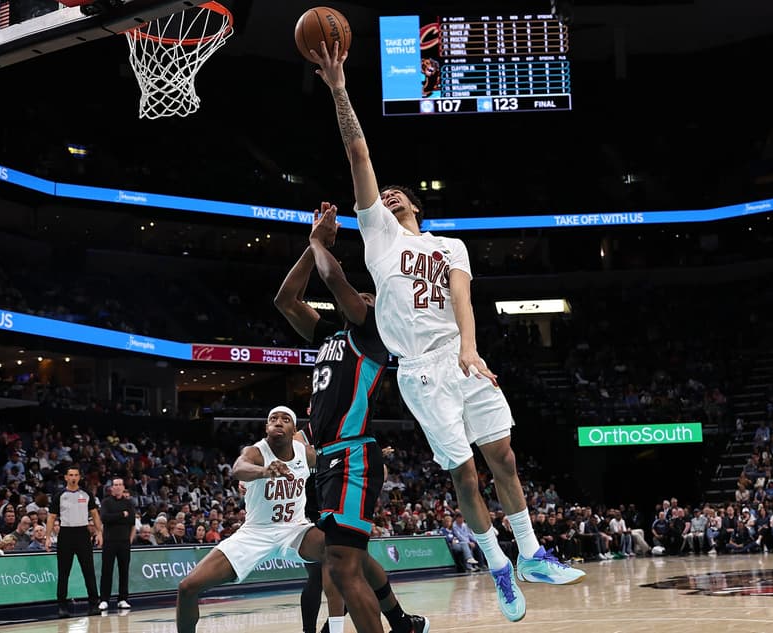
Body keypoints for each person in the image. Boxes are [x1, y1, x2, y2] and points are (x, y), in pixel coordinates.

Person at [311, 39, 584, 623]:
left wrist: (471, 348)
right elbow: (359, 154)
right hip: (420, 371)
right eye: (382, 197)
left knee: (504, 458)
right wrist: (339, 88)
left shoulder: (447, 244)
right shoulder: (380, 236)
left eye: (397, 195)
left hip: (460, 357)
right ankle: (497, 563)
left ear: (414, 204)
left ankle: (532, 552)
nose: (388, 196)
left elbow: (462, 296)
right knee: (464, 473)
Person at [274, 212, 429, 633]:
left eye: (370, 296)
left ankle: (390, 626)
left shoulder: (374, 333)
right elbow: (285, 301)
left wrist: (320, 242)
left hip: (353, 454)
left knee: (342, 566)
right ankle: (399, 621)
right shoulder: (329, 335)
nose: (364, 296)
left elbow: (336, 282)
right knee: (345, 555)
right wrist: (312, 247)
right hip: (327, 461)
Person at [176, 407, 330, 633]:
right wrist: (265, 472)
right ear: (266, 427)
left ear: (293, 429)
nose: (278, 422)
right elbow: (239, 468)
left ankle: (331, 626)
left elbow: (334, 464)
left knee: (339, 548)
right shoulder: (256, 451)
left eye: (285, 419)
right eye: (273, 419)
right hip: (255, 533)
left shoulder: (304, 453)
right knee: (187, 587)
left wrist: (370, 456)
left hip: (294, 529)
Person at [46, 466, 102, 618]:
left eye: (76, 475)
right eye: (70, 475)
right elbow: (51, 517)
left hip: (83, 534)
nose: (73, 477)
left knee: (89, 571)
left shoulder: (86, 494)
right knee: (64, 572)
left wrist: (99, 533)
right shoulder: (59, 495)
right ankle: (62, 606)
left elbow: (95, 515)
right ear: (66, 477)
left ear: (79, 477)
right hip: (66, 534)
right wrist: (47, 538)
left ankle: (94, 604)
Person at [98, 477, 135, 612]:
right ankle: (104, 600)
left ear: (123, 486)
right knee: (106, 571)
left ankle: (123, 599)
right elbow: (105, 518)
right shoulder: (106, 502)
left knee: (124, 571)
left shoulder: (128, 503)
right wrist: (121, 515)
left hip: (124, 542)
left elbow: (131, 520)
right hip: (109, 541)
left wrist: (119, 517)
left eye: (120, 484)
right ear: (112, 488)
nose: (118, 487)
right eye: (115, 485)